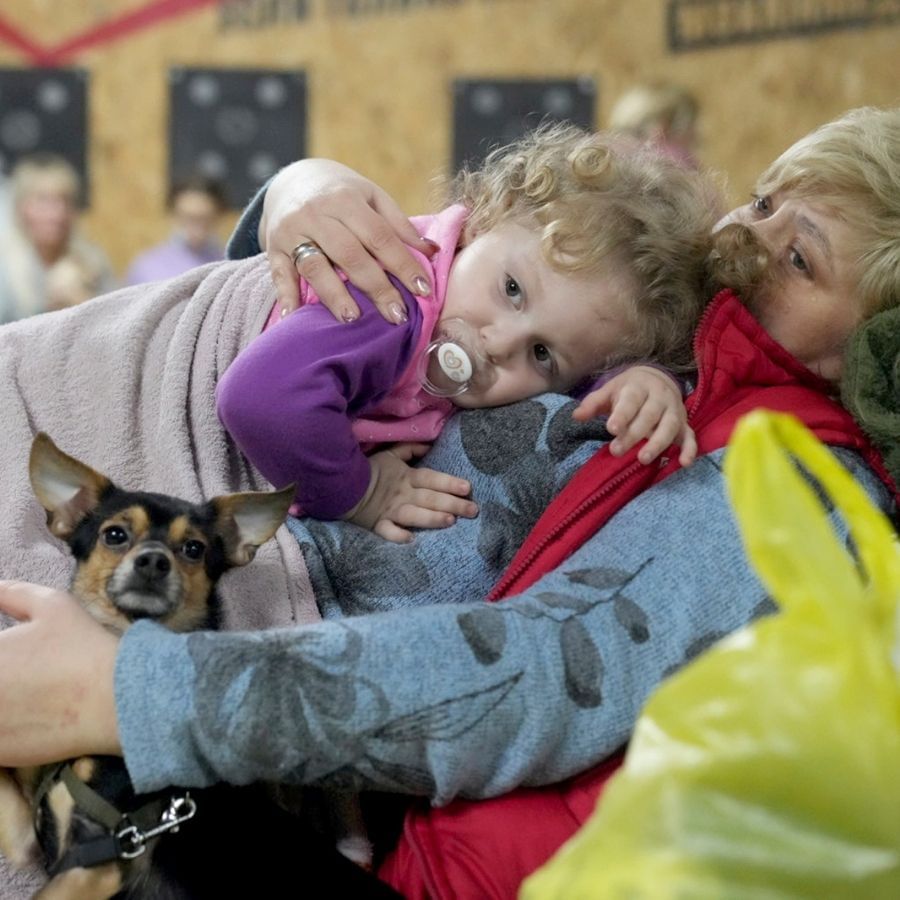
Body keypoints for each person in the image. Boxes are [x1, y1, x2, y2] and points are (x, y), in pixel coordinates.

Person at [1, 107, 898, 899]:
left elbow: (540, 674)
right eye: (767, 195)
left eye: (797, 254)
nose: (741, 232)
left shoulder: (796, 482)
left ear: (873, 349)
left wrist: (131, 695)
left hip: (233, 662)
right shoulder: (698, 362)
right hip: (169, 483)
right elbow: (306, 331)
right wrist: (300, 196)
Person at [216, 125, 707, 542]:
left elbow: (582, 374)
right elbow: (258, 399)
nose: (498, 343)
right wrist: (361, 493)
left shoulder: (493, 296)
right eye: (511, 290)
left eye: (541, 354)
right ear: (483, 219)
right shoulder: (395, 301)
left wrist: (641, 380)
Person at [0, 153, 115, 323]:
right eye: (43, 201)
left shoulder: (92, 261)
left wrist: (81, 300)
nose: (56, 214)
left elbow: (116, 327)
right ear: (20, 208)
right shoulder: (5, 266)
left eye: (64, 201)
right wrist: (49, 304)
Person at [125, 175, 227, 285]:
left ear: (218, 215)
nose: (197, 229)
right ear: (173, 215)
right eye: (189, 218)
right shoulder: (146, 268)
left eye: (204, 219)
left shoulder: (227, 265)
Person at [608, 81, 701, 169]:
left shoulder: (604, 163)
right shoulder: (677, 163)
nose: (696, 132)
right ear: (662, 127)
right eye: (691, 124)